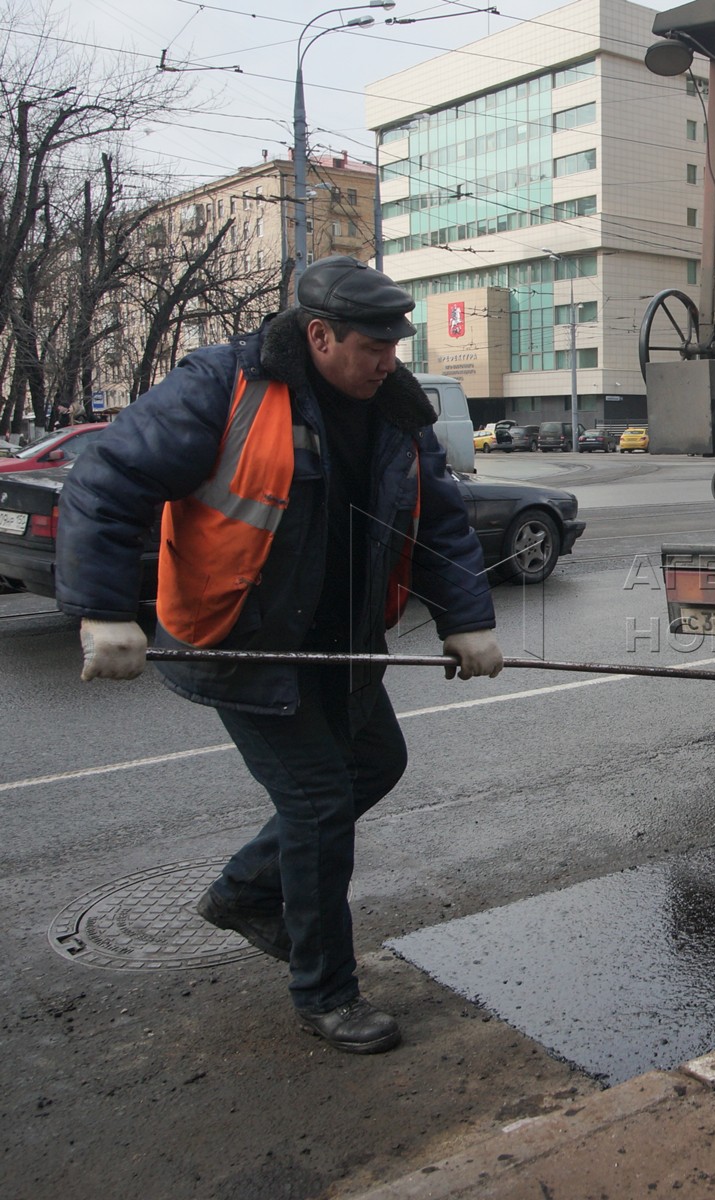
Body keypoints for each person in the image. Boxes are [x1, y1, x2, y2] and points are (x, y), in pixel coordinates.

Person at [56, 256, 505, 1055]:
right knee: (321, 804)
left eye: (396, 345)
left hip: (344, 646)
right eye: (374, 346)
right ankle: (326, 991)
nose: (389, 361)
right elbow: (107, 478)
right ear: (320, 334)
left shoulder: (396, 410)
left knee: (377, 764)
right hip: (244, 642)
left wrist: (467, 619)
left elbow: (436, 522)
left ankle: (245, 894)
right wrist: (102, 610)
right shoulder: (224, 384)